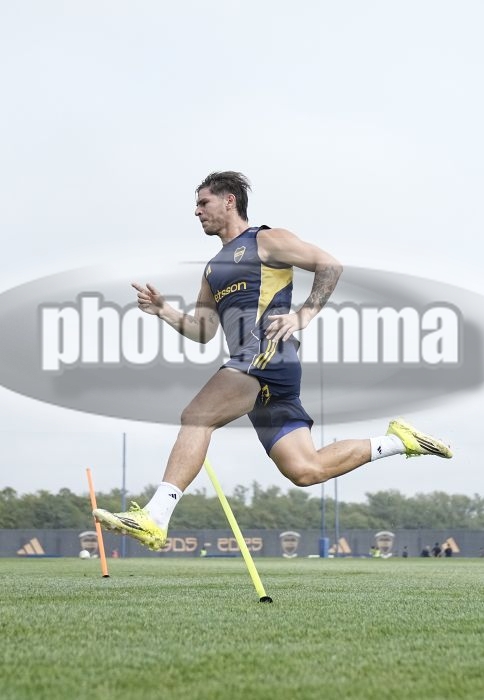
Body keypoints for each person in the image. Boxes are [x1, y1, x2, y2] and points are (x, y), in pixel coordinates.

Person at [93, 171, 453, 551]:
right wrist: (164, 310)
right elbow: (203, 330)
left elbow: (329, 265)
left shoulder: (265, 240)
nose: (197, 212)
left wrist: (304, 314)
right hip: (255, 367)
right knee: (305, 469)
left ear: (229, 200)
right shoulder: (212, 270)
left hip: (268, 352)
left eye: (203, 203)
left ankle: (156, 516)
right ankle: (398, 441)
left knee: (197, 416)